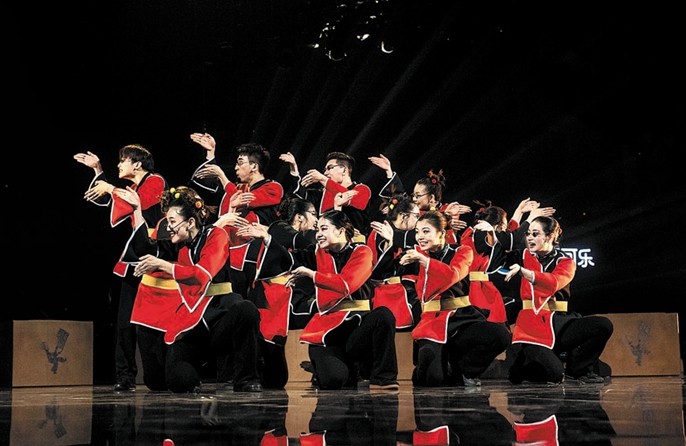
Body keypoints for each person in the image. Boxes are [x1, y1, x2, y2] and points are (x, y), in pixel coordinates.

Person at [116, 185, 263, 393]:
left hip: (220, 315)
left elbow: (202, 275)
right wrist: (137, 210)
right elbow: (145, 249)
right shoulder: (178, 244)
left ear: (191, 222)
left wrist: (164, 265)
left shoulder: (216, 235)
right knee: (178, 381)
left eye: (173, 222)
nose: (169, 227)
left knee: (247, 310)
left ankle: (246, 379)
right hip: (194, 324)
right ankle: (194, 374)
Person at [74, 145, 167, 392]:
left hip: (154, 256)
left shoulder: (155, 181)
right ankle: (125, 375)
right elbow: (111, 200)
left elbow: (139, 203)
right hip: (133, 259)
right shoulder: (132, 187)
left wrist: (109, 187)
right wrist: (98, 170)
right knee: (124, 322)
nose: (119, 165)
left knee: (151, 321)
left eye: (123, 160)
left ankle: (160, 372)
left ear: (137, 164)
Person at [284, 210, 399, 391]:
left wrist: (312, 275)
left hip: (357, 329)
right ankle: (328, 367)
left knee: (383, 315)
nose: (318, 234)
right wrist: (266, 239)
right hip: (328, 332)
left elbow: (347, 284)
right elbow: (288, 258)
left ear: (340, 230)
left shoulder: (362, 252)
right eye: (317, 229)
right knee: (334, 380)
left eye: (324, 229)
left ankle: (382, 378)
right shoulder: (316, 253)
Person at [399, 211, 511, 387]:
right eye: (417, 231)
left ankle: (465, 370)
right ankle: (430, 365)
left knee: (500, 335)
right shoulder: (416, 254)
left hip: (462, 319)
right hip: (432, 323)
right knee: (433, 380)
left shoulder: (462, 251)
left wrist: (425, 262)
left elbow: (453, 275)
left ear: (442, 233)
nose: (420, 236)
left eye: (426, 231)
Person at [505, 216, 614, 384]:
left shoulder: (565, 261)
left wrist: (524, 272)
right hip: (532, 328)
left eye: (535, 234)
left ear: (549, 237)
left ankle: (578, 370)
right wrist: (522, 213)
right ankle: (521, 367)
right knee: (554, 375)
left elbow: (553, 283)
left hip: (560, 323)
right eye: (528, 234)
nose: (530, 238)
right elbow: (509, 240)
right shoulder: (524, 255)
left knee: (603, 325)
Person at [460, 198, 555, 327]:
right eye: (504, 226)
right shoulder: (482, 232)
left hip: (480, 286)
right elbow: (512, 240)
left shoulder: (475, 232)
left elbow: (507, 237)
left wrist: (519, 212)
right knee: (490, 325)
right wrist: (531, 218)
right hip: (478, 291)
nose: (506, 229)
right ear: (497, 226)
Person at [369, 154, 470, 242]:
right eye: (413, 195)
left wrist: (447, 218)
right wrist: (389, 171)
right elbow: (400, 196)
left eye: (418, 196)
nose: (414, 199)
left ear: (431, 197)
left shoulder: (446, 210)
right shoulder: (413, 208)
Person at [280, 151, 372, 239]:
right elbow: (302, 194)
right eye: (325, 170)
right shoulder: (323, 194)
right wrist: (294, 169)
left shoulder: (362, 189)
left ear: (344, 169)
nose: (325, 173)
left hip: (354, 243)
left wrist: (323, 179)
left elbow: (349, 198)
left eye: (329, 168)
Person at [367, 193, 422, 331]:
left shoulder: (416, 234)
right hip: (386, 291)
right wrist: (388, 244)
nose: (418, 220)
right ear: (403, 216)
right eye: (416, 216)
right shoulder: (380, 232)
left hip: (411, 289)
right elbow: (376, 270)